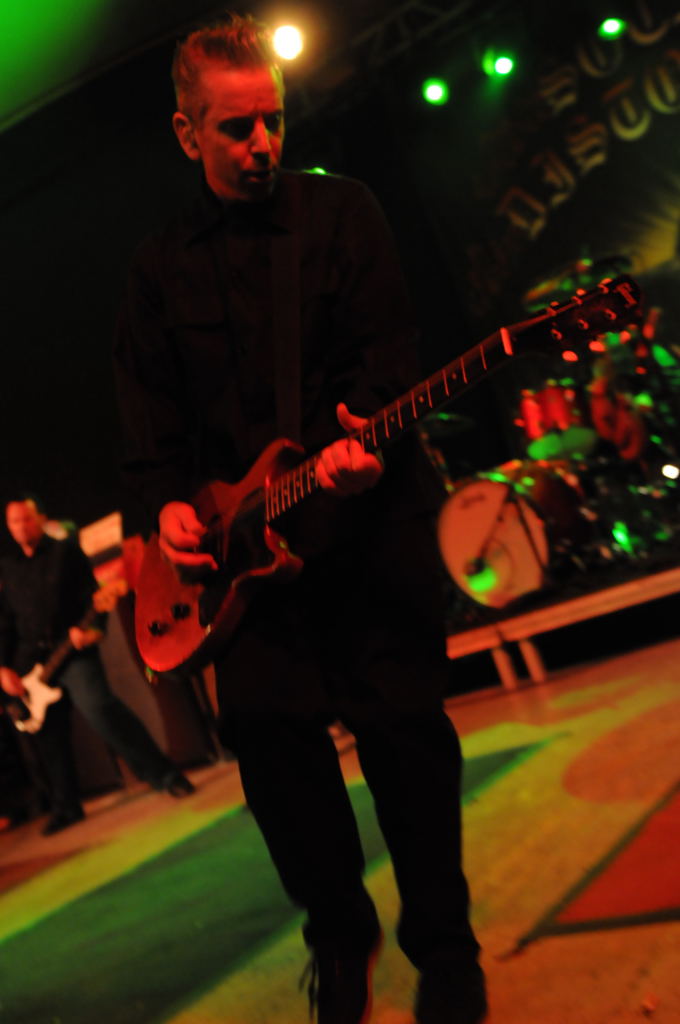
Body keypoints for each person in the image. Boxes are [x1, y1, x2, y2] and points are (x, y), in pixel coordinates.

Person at [113, 14, 486, 1024]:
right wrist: (168, 509)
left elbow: (388, 361)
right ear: (187, 133)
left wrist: (369, 441)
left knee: (406, 737)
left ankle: (446, 950)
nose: (263, 144)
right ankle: (338, 931)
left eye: (272, 120)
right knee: (274, 756)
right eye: (236, 128)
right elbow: (148, 427)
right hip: (244, 568)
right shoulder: (157, 271)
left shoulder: (344, 213)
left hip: (364, 532)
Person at [0, 496, 195, 836]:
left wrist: (91, 631)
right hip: (29, 664)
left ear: (39, 518)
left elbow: (93, 597)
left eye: (26, 519)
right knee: (47, 736)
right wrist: (3, 668)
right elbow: (4, 622)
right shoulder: (8, 567)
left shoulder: (65, 552)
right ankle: (66, 807)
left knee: (101, 709)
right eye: (14, 522)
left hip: (73, 649)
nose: (21, 527)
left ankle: (166, 776)